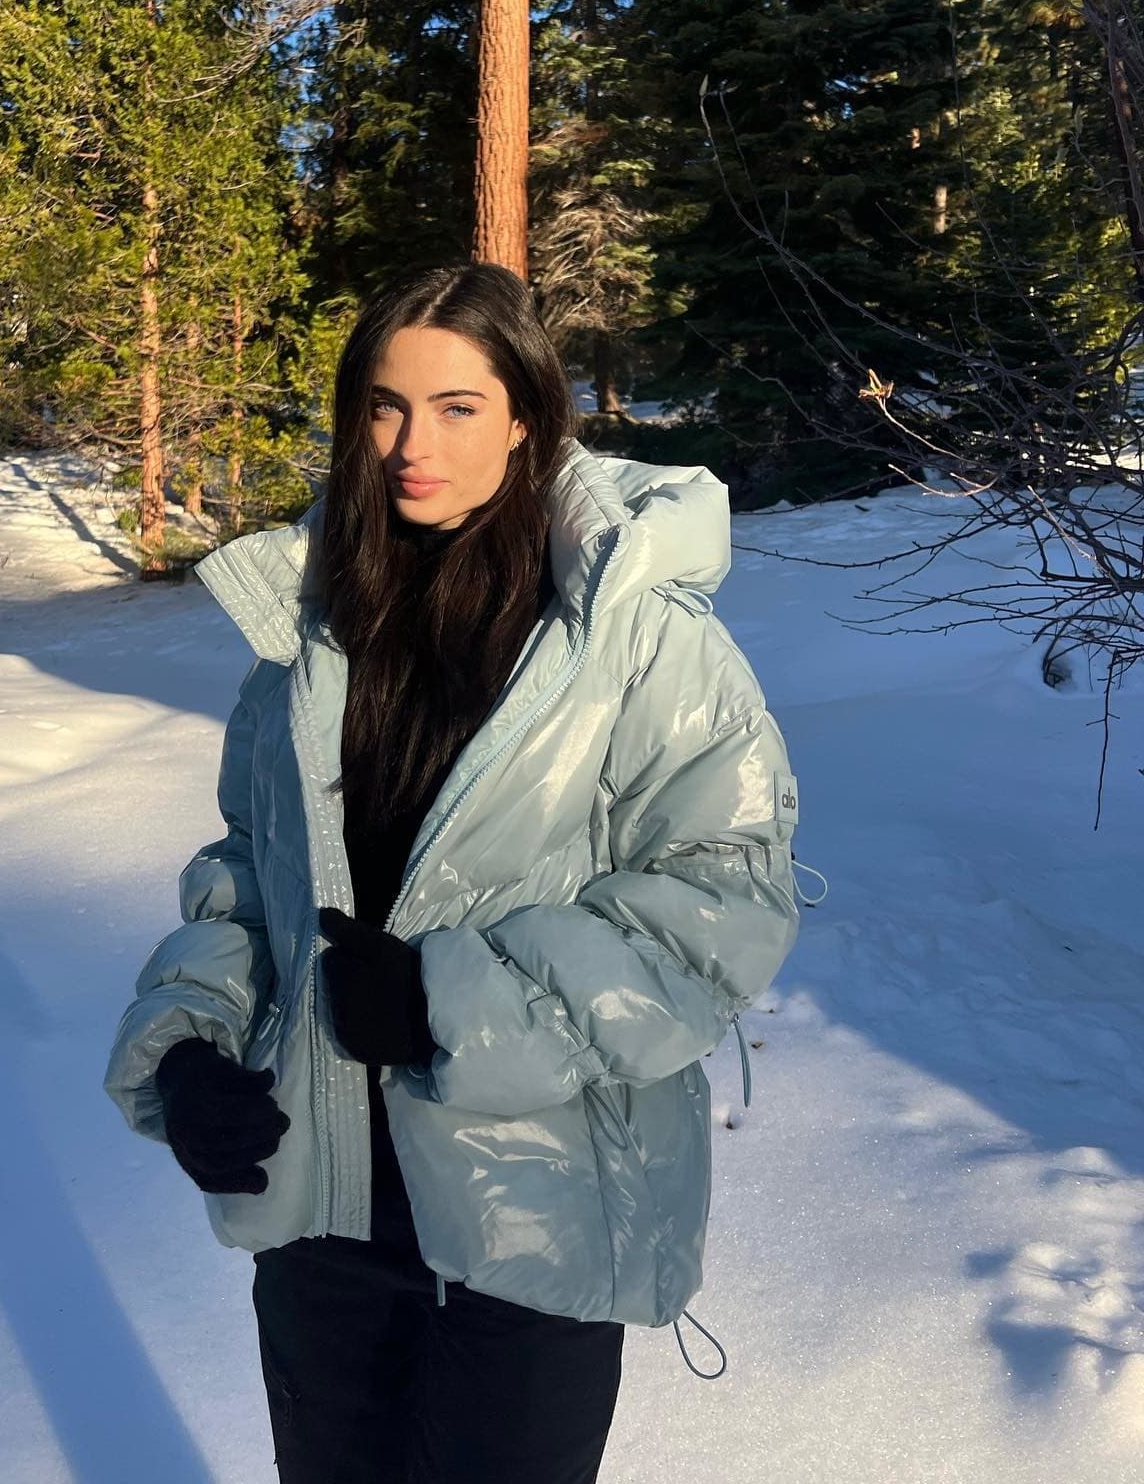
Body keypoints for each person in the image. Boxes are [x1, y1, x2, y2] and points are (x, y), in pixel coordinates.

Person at [104, 262, 802, 1484]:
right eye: (385, 405)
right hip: (320, 1201)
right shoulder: (311, 633)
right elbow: (243, 873)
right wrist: (192, 1044)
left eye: (457, 406)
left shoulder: (634, 635)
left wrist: (450, 1001)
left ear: (529, 413)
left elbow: (723, 896)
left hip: (539, 1205)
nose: (411, 443)